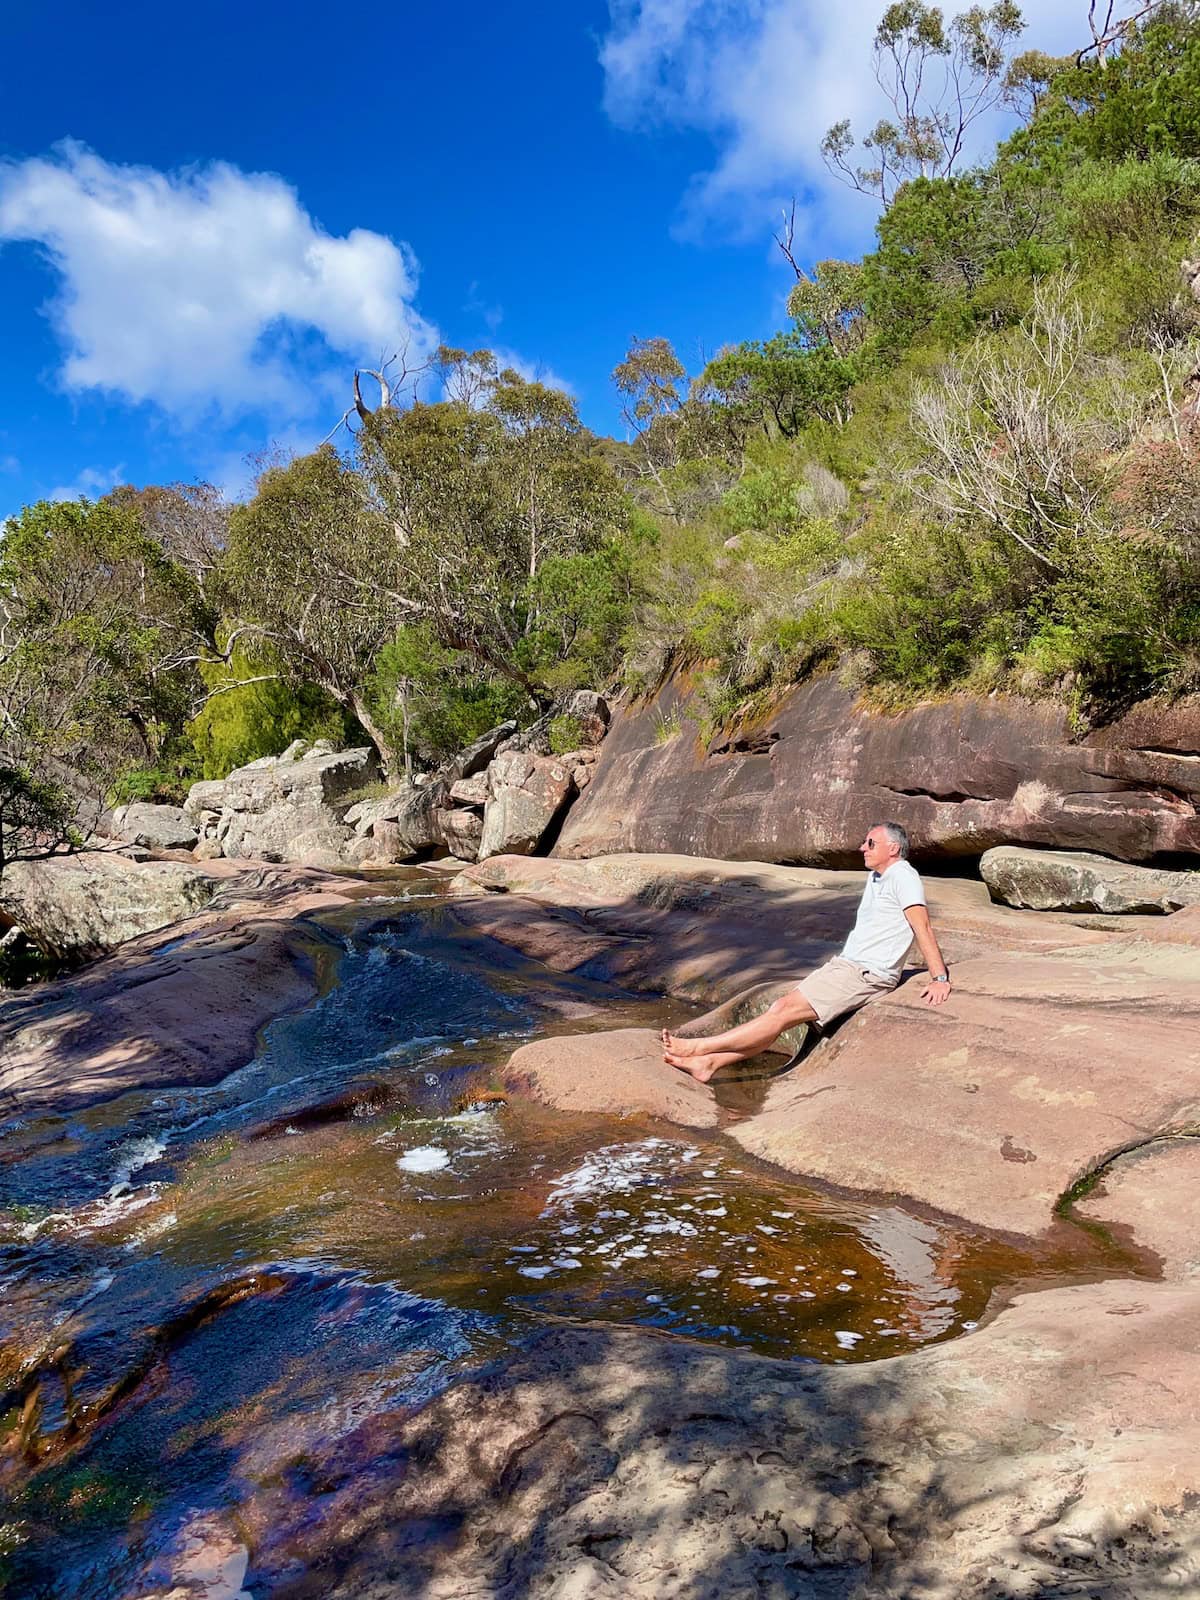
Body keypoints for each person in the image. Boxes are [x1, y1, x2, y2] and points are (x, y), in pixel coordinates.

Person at [662, 821, 951, 1082]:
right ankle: (710, 1064)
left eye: (871, 843)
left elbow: (921, 926)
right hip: (847, 966)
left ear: (894, 848)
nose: (863, 847)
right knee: (782, 1014)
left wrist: (939, 979)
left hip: (865, 974)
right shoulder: (878, 877)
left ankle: (700, 1047)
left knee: (781, 1010)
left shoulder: (903, 875)